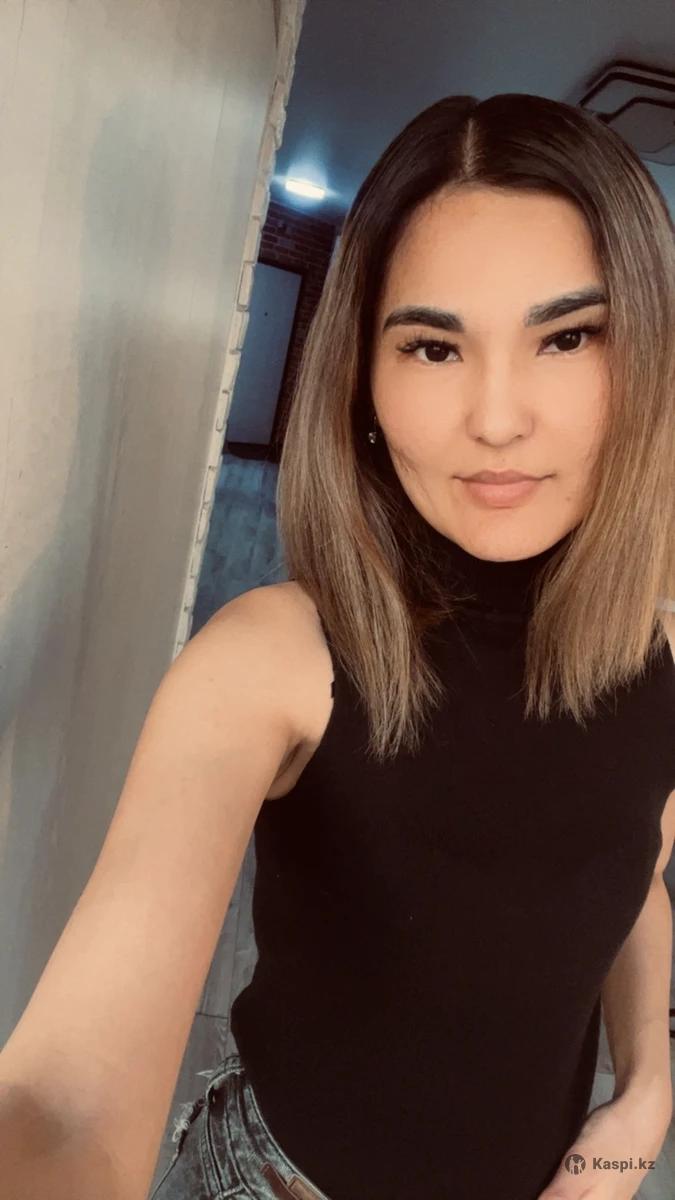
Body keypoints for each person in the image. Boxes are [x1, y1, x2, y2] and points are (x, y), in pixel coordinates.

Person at [0, 92, 673, 1200]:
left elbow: (631, 867)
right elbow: (69, 1103)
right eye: (433, 346)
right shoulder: (270, 660)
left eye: (566, 336)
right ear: (364, 378)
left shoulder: (658, 655)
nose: (497, 418)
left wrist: (642, 1098)